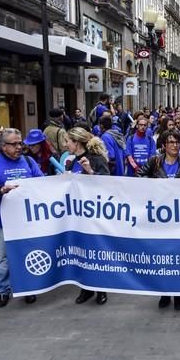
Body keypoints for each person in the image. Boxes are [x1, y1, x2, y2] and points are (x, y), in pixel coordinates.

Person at [0, 128, 43, 307]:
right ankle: (3, 290)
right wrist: (1, 189)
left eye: (20, 143)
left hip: (27, 220)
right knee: (3, 258)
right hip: (3, 221)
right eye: (14, 144)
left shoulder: (29, 162)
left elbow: (41, 184)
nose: (19, 147)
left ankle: (27, 288)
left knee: (26, 255)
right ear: (2, 146)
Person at [64, 127, 110, 305]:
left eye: (68, 140)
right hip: (77, 216)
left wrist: (90, 171)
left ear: (76, 142)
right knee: (82, 253)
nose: (65, 144)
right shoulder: (70, 161)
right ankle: (86, 288)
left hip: (95, 214)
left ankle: (101, 288)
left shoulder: (97, 159)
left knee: (97, 252)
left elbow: (108, 184)